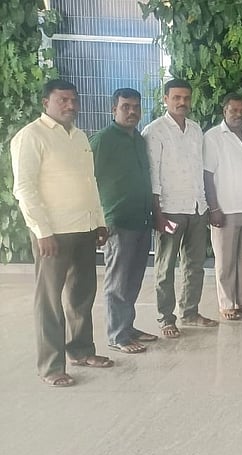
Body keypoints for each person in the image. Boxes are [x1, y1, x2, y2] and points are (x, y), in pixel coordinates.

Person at [11, 79, 114, 386]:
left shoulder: (79, 136)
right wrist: (42, 231)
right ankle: (51, 366)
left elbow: (89, 183)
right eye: (62, 100)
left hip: (83, 228)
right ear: (46, 103)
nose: (70, 105)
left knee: (82, 295)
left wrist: (98, 220)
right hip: (53, 233)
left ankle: (82, 351)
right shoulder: (31, 136)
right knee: (50, 301)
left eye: (73, 100)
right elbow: (24, 188)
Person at [143, 78, 218, 338]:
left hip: (196, 208)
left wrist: (206, 205)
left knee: (195, 264)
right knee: (165, 267)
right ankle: (166, 318)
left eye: (186, 98)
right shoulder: (154, 131)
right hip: (170, 208)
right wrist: (157, 213)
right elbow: (152, 174)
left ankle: (190, 312)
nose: (182, 102)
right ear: (165, 99)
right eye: (176, 97)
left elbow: (201, 171)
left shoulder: (196, 130)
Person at [91, 87, 155, 354]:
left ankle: (128, 326)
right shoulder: (103, 140)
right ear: (113, 109)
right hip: (117, 220)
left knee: (133, 279)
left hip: (141, 219)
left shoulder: (139, 139)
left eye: (136, 107)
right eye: (126, 106)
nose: (132, 112)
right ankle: (117, 335)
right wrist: (98, 220)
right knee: (117, 281)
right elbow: (88, 180)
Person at [203, 93, 242, 321]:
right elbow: (207, 175)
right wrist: (214, 208)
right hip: (225, 210)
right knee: (225, 261)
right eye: (233, 110)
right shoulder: (213, 137)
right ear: (224, 112)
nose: (238, 115)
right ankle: (227, 303)